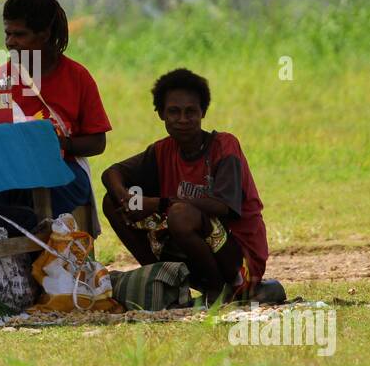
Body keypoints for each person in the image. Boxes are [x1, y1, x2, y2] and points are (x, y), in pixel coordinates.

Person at [101, 68, 271, 303]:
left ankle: (219, 291)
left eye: (190, 112)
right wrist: (126, 199)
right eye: (174, 112)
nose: (182, 120)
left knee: (180, 214)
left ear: (203, 113)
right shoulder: (162, 151)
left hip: (238, 259)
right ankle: (164, 279)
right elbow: (112, 173)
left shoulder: (224, 146)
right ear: (161, 114)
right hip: (194, 250)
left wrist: (158, 203)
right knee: (111, 203)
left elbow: (223, 206)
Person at [0, 0, 111, 225]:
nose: (10, 42)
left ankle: (37, 252)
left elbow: (97, 143)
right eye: (7, 34)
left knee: (34, 186)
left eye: (20, 34)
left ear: (45, 34)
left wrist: (59, 144)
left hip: (65, 168)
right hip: (9, 169)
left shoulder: (77, 77)